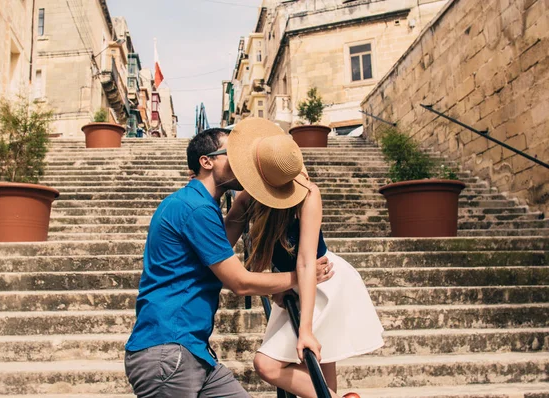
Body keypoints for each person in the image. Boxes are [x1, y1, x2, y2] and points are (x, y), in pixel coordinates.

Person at [124, 127, 335, 398]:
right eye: (232, 154)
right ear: (207, 161)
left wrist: (272, 180)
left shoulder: (198, 205)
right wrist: (302, 276)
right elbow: (240, 282)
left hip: (193, 352)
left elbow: (226, 235)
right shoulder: (194, 208)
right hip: (169, 351)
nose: (243, 161)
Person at [224, 118, 385, 398]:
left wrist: (305, 329)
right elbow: (223, 243)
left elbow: (307, 262)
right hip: (297, 284)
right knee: (322, 386)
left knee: (267, 364)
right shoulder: (248, 196)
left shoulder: (307, 194)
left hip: (325, 282)